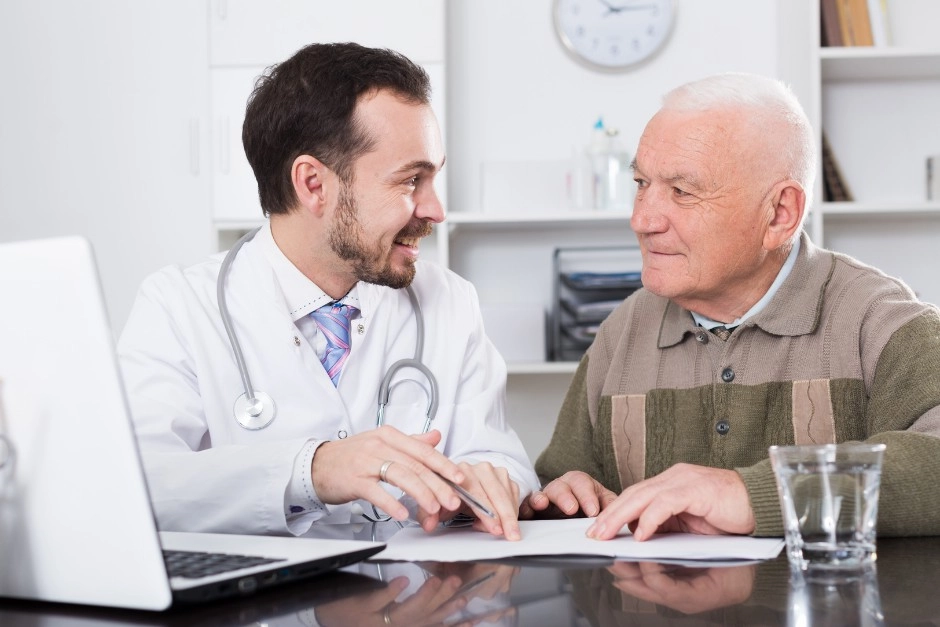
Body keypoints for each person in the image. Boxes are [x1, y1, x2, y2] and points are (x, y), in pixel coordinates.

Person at [118, 42, 538, 538]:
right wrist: (312, 471)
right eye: (410, 181)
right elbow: (133, 487)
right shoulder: (178, 307)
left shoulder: (450, 301)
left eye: (434, 178)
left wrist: (488, 484)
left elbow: (500, 459)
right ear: (314, 185)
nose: (434, 210)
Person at [520, 72, 940, 541]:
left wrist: (757, 493)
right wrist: (562, 496)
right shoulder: (621, 333)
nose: (641, 219)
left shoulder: (884, 322)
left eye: (682, 191)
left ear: (780, 214)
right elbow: (559, 482)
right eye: (641, 183)